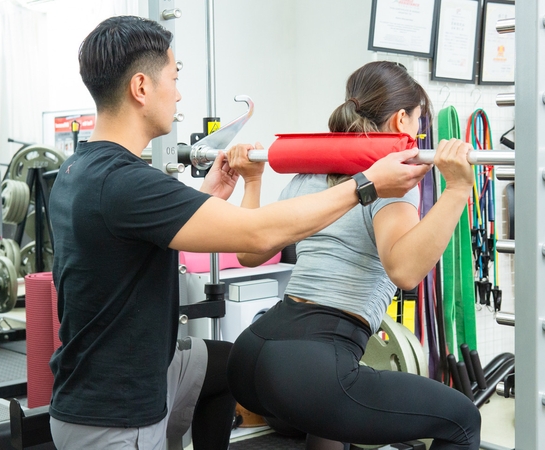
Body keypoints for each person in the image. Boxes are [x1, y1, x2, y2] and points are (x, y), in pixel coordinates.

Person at [47, 16, 432, 450]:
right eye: (174, 79)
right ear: (141, 87)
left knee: (224, 368)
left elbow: (146, 229)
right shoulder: (126, 183)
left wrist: (212, 194)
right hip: (114, 412)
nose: (178, 94)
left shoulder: (80, 169)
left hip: (119, 373)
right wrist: (367, 184)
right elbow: (256, 237)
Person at [226, 61, 482, 450]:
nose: (419, 132)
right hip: (311, 365)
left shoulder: (309, 175)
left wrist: (253, 181)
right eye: (418, 121)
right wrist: (458, 189)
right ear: (400, 120)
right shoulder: (390, 180)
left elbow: (248, 252)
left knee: (329, 414)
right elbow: (405, 271)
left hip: (252, 355)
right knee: (462, 420)